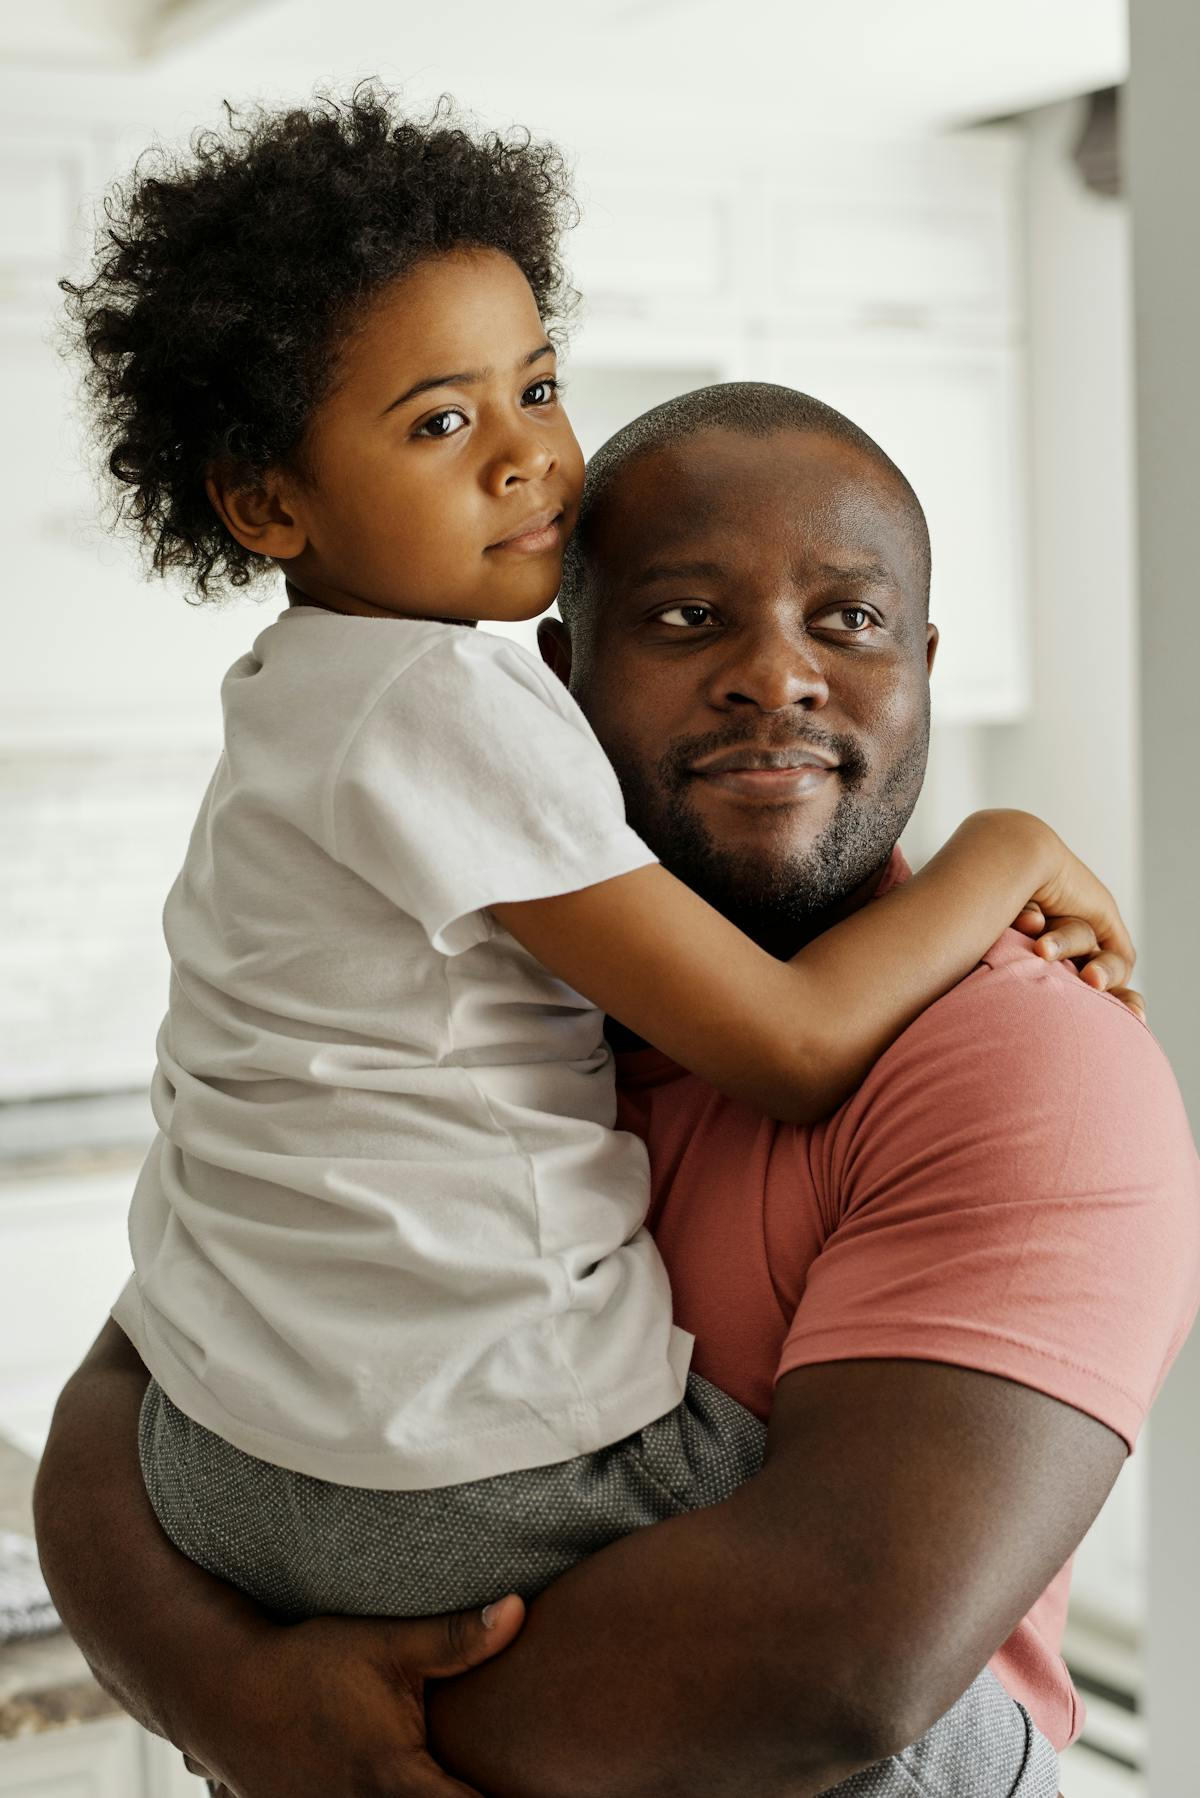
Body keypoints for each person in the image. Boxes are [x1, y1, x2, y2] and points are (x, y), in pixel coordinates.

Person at [48, 67, 1139, 1686]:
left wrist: (249, 1707)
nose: (525, 460)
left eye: (535, 386)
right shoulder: (445, 700)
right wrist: (1008, 843)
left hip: (229, 1453)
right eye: (440, 422)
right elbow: (782, 1047)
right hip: (440, 1468)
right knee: (894, 1693)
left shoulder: (297, 700)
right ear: (268, 500)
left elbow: (137, 1365)